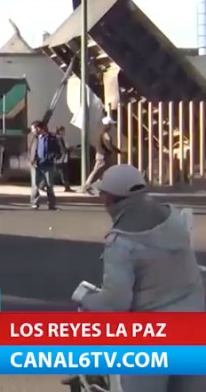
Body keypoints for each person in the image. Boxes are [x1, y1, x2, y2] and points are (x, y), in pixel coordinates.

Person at [79, 164, 205, 392]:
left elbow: (116, 303)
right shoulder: (172, 217)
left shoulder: (121, 243)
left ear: (108, 198)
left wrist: (86, 299)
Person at [82, 116, 122, 194]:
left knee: (101, 172)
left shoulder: (100, 133)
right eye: (110, 124)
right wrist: (117, 151)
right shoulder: (105, 134)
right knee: (97, 171)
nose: (111, 126)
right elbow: (109, 145)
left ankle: (97, 187)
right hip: (103, 156)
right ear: (107, 125)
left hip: (100, 155)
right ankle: (87, 186)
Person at [28, 121, 57, 211]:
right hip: (36, 164)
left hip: (47, 164)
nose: (32, 131)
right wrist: (31, 159)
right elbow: (29, 149)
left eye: (33, 129)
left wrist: (52, 157)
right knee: (35, 185)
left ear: (39, 128)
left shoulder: (51, 138)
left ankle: (51, 204)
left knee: (49, 185)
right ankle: (34, 203)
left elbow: (57, 150)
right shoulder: (33, 137)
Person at [54, 126, 74, 192]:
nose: (64, 132)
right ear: (60, 131)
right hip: (61, 159)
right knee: (63, 173)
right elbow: (63, 150)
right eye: (63, 131)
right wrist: (70, 149)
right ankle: (67, 187)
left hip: (60, 159)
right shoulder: (59, 139)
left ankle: (67, 187)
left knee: (63, 173)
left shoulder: (57, 138)